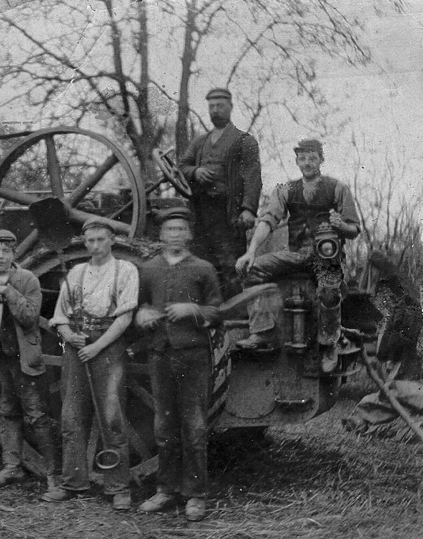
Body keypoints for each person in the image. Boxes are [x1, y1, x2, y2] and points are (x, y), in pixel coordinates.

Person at [41, 218, 139, 511]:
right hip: (77, 346)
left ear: (111, 241)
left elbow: (125, 317)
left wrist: (96, 345)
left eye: (100, 240)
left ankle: (118, 487)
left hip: (108, 346)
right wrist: (70, 335)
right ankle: (73, 482)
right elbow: (60, 316)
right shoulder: (77, 272)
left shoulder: (125, 270)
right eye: (89, 241)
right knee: (71, 415)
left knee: (112, 417)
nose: (95, 246)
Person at [234, 139, 360, 363]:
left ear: (321, 159)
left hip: (326, 257)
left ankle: (329, 341)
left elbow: (353, 229)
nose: (307, 163)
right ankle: (263, 332)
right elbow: (268, 220)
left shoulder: (337, 188)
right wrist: (251, 251)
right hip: (296, 253)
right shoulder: (285, 190)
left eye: (312, 158)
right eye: (303, 158)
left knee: (330, 287)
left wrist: (341, 225)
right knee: (250, 270)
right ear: (297, 161)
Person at [135, 207, 222, 522]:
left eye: (180, 230)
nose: (174, 235)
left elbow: (217, 311)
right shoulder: (148, 269)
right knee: (163, 427)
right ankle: (166, 490)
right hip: (160, 355)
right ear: (160, 235)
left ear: (189, 235)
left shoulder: (203, 269)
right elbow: (140, 304)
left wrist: (192, 309)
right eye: (169, 230)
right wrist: (141, 314)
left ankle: (195, 496)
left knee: (195, 427)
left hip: (193, 356)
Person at [0, 230, 58, 490]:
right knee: (7, 412)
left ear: (14, 254)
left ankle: (53, 477)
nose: (1, 256)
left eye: (6, 251)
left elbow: (29, 316)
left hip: (25, 361)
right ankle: (12, 467)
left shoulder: (27, 279)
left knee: (37, 415)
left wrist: (11, 294)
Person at [178, 87, 262, 299]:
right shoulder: (200, 141)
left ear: (230, 107)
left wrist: (248, 209)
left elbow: (253, 176)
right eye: (211, 106)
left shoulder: (245, 141)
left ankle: (235, 320)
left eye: (220, 106)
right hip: (201, 214)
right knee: (200, 264)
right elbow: (182, 166)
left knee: (231, 266)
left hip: (228, 215)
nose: (215, 110)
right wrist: (195, 171)